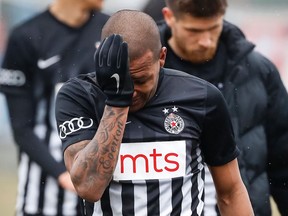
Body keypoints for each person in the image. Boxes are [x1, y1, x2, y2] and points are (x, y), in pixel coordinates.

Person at [55, 9, 254, 216]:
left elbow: (230, 191)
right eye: (124, 81)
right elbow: (88, 187)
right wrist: (116, 102)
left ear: (161, 57)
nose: (130, 92)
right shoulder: (79, 96)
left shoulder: (202, 97)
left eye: (140, 80)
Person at [158, 0, 288, 215]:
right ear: (169, 16)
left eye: (214, 28)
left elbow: (284, 161)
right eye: (194, 30)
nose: (206, 41)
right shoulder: (144, 76)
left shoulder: (258, 71)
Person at [0, 0, 109, 215]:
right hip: (43, 196)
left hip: (102, 192)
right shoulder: (25, 37)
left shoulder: (110, 31)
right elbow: (22, 129)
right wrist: (65, 176)